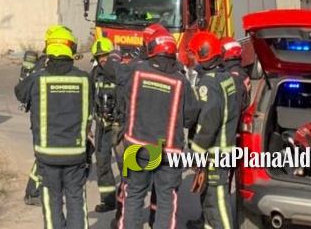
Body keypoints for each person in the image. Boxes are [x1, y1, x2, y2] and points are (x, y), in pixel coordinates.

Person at [106, 27, 198, 229]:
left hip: (137, 146)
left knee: (133, 196)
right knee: (166, 202)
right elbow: (191, 117)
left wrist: (114, 53)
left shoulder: (137, 70)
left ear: (151, 49)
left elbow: (112, 71)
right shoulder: (181, 80)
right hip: (169, 151)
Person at [15, 25, 91, 229]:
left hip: (47, 155)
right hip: (75, 154)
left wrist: (27, 71)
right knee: (76, 201)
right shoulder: (85, 79)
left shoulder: (37, 78)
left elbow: (20, 93)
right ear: (71, 49)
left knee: (52, 203)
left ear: (48, 49)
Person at [187, 32, 246, 229]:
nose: (192, 59)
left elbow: (208, 123)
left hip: (215, 153)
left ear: (203, 54)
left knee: (217, 202)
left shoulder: (208, 84)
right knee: (209, 203)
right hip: (225, 148)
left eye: (195, 55)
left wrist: (196, 151)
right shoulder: (225, 77)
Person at [90, 37, 121, 212]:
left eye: (105, 55)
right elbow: (90, 97)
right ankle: (109, 200)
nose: (103, 59)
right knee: (102, 163)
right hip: (102, 126)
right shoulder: (94, 74)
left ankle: (128, 201)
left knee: (125, 164)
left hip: (118, 126)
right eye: (99, 56)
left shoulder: (120, 72)